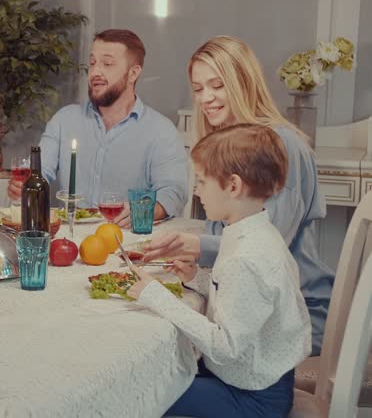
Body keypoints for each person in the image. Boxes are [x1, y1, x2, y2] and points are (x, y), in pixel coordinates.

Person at [143, 36, 333, 355]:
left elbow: (267, 244)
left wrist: (196, 246)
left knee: (170, 358)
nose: (206, 98)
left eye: (217, 85)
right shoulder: (228, 146)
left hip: (291, 317)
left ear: (245, 84)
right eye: (199, 88)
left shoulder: (283, 146)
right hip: (250, 305)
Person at [128, 124, 311, 418]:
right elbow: (244, 301)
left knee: (142, 393)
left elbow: (225, 346)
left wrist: (155, 296)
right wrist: (196, 278)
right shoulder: (254, 232)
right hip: (250, 378)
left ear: (233, 186)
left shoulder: (247, 256)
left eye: (201, 181)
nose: (197, 191)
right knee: (159, 373)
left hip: (253, 397)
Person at [6, 29, 188, 227]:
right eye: (92, 63)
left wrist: (145, 210)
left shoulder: (161, 131)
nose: (95, 72)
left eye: (107, 64)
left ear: (133, 73)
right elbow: (40, 174)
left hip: (126, 240)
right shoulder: (64, 120)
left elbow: (173, 192)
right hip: (69, 238)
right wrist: (23, 187)